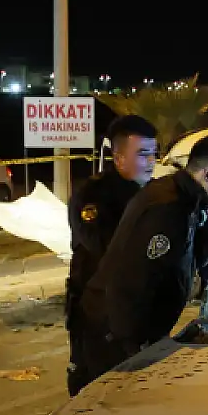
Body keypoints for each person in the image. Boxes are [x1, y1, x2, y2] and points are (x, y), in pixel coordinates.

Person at [74, 135, 208, 389]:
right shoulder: (168, 207)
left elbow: (191, 258)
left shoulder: (184, 199)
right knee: (115, 408)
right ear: (207, 174)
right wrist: (134, 344)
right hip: (115, 333)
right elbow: (131, 279)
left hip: (132, 330)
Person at [65, 114, 160, 396]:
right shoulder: (94, 196)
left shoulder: (151, 194)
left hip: (134, 308)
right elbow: (107, 248)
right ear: (118, 158)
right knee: (93, 387)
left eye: (154, 154)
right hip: (97, 308)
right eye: (143, 154)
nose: (151, 162)